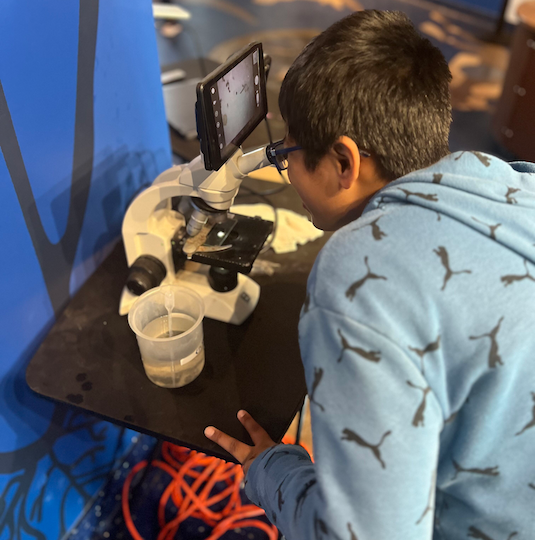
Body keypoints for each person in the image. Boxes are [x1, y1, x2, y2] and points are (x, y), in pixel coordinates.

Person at [205, 9, 535, 539]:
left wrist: (271, 471)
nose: (285, 167)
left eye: (290, 152)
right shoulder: (510, 180)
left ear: (344, 162)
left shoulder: (360, 277)